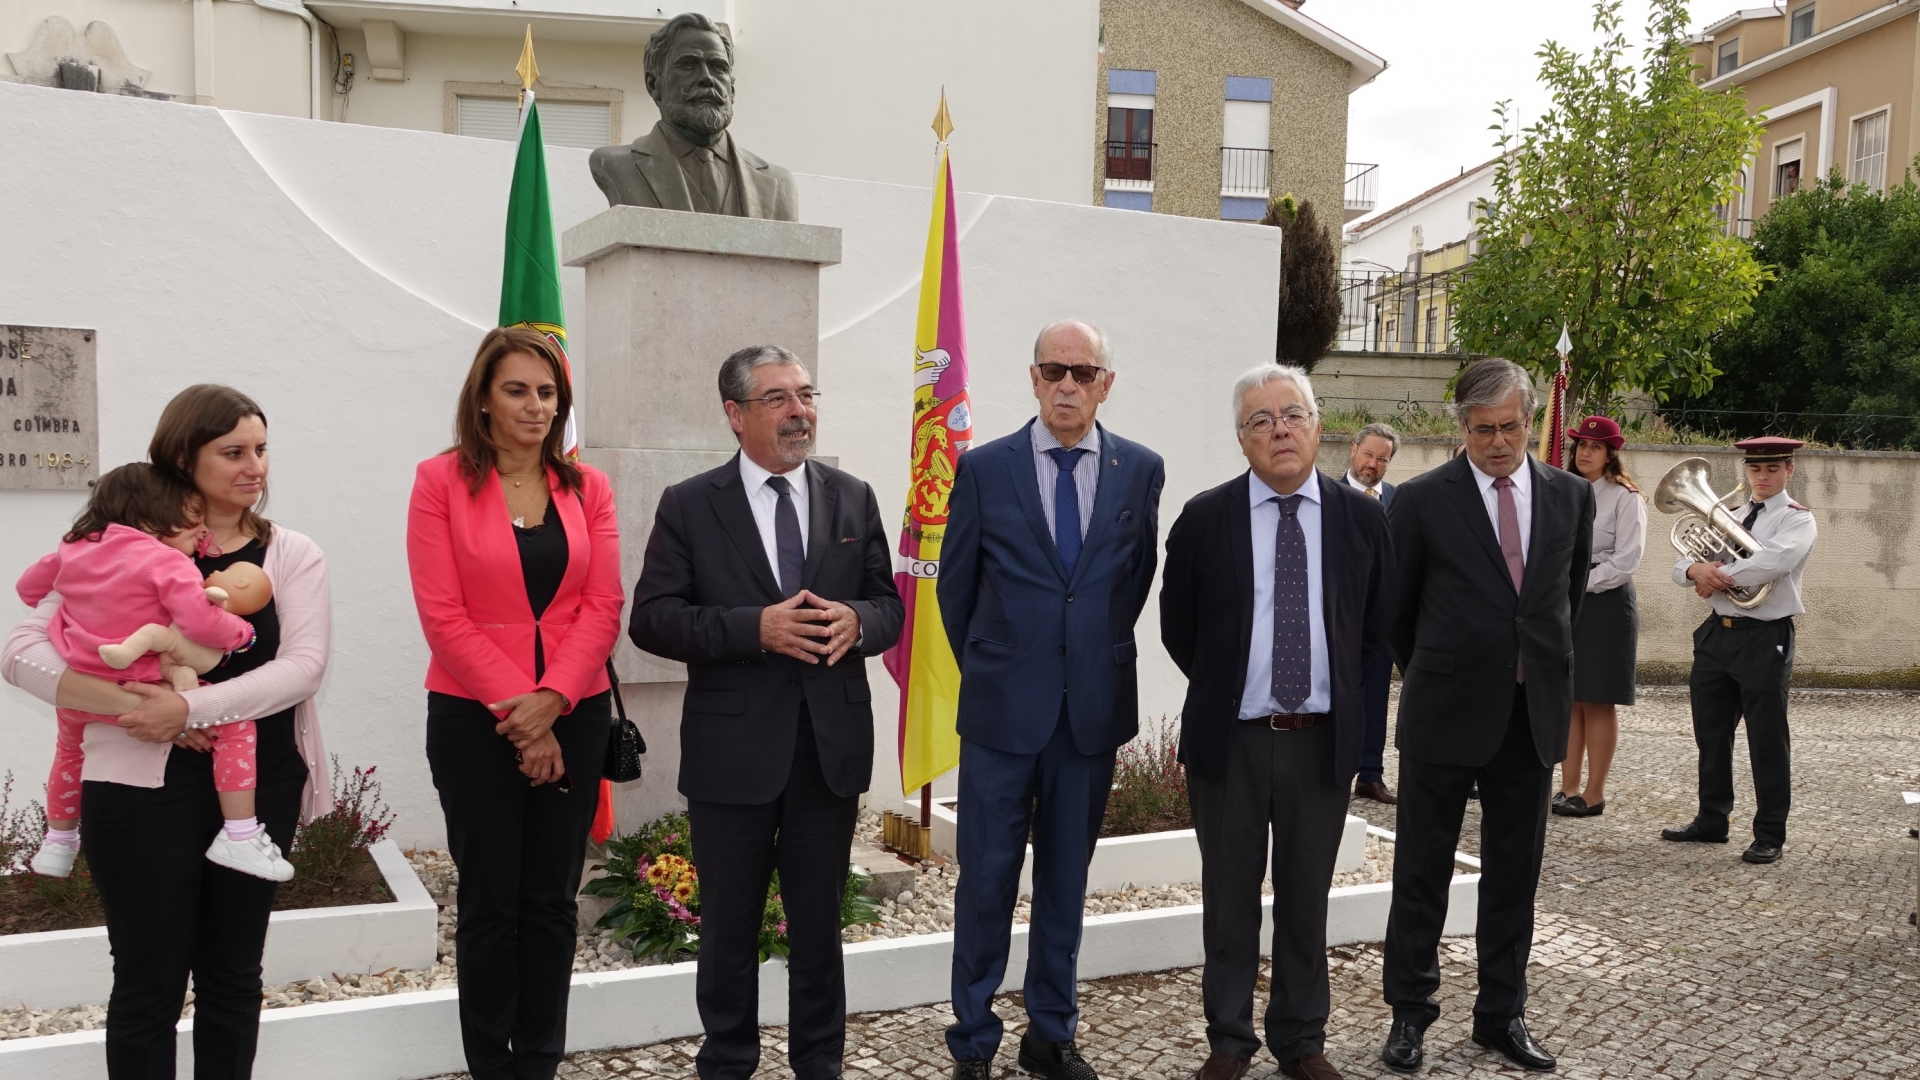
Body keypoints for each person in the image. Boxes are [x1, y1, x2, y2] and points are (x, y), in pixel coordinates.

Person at [4, 383, 334, 1078]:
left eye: (262, 450)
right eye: (233, 451)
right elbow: (19, 653)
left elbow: (302, 669)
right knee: (149, 986)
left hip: (256, 787)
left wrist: (187, 710)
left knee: (233, 977)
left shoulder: (290, 554)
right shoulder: (107, 543)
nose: (255, 467)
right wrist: (138, 702)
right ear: (185, 457)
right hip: (135, 792)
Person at [629, 345, 902, 1080]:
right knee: (727, 929)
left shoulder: (852, 496)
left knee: (819, 929)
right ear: (735, 414)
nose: (799, 411)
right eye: (778, 398)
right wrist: (755, 628)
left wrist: (858, 623)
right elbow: (652, 620)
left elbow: (889, 606)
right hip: (733, 757)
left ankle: (821, 1065)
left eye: (806, 395)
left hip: (828, 750)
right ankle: (727, 1062)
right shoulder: (691, 504)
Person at [938, 320, 1165, 1080]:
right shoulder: (984, 470)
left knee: (1066, 882)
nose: (1068, 384)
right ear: (1033, 379)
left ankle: (1050, 1033)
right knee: (987, 882)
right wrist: (1005, 664)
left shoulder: (1140, 471)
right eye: (1054, 370)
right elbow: (957, 595)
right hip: (1003, 716)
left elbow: (1129, 587)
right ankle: (972, 1040)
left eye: (1084, 371)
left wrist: (1081, 659)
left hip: (1090, 715)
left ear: (1106, 383)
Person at [1161, 366, 1393, 1080]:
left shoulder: (1361, 520)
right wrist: (1233, 685)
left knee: (1305, 899)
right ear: (1241, 439)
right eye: (1260, 420)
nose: (1279, 430)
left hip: (1320, 741)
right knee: (1229, 899)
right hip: (1230, 742)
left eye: (1292, 414)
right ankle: (1229, 1040)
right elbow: (1179, 628)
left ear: (1318, 426)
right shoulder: (1205, 518)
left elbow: (1376, 627)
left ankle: (1301, 1039)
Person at [406, 326, 626, 1080]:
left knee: (552, 901)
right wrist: (521, 712)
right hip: (474, 717)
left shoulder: (587, 486)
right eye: (517, 390)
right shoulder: (439, 481)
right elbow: (442, 613)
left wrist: (555, 698)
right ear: (484, 399)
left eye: (547, 392)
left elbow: (603, 605)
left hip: (577, 708)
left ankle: (538, 1062)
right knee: (492, 900)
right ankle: (490, 1065)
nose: (535, 406)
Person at [1378, 358, 1594, 1075]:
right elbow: (1396, 615)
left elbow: (1565, 601)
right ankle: (1410, 1015)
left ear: (1530, 422)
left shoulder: (1569, 497)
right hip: (1444, 711)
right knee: (1421, 872)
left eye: (1509, 428)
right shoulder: (1419, 501)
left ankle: (1502, 1015)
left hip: (1530, 716)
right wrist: (1446, 667)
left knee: (1514, 876)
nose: (1497, 443)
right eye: (1481, 430)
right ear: (1460, 428)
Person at [20, 463, 280, 881]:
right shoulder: (164, 560)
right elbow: (199, 623)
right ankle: (241, 834)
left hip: (80, 689)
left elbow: (28, 589)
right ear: (152, 517)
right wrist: (240, 632)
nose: (201, 529)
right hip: (144, 681)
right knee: (237, 727)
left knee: (69, 751)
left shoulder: (73, 546)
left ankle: (58, 841)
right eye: (191, 516)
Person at [1659, 436, 1816, 865]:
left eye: (1771, 470)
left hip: (1765, 637)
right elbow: (1677, 564)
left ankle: (1769, 834)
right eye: (1754, 470)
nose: (1762, 477)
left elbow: (1774, 563)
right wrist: (1695, 569)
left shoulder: (1797, 520)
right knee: (1710, 735)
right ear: (1745, 471)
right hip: (1717, 635)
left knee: (1766, 739)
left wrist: (1717, 573)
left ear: (1789, 470)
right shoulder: (1727, 514)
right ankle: (1712, 820)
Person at [587, 12, 799, 220]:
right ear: (653, 84)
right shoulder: (615, 165)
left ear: (732, 90)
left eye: (718, 67)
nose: (707, 78)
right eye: (688, 65)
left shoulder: (779, 184)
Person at [1554, 416, 1646, 819]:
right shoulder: (1564, 492)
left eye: (1594, 446)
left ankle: (1593, 794)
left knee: (1597, 700)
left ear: (1611, 455)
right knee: (1570, 699)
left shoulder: (1626, 497)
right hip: (1567, 601)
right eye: (1580, 445)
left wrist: (1580, 581)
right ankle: (1567, 787)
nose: (1584, 452)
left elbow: (1626, 561)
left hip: (1605, 603)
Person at [1343, 422, 1399, 805]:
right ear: (1353, 449)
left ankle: (1370, 774)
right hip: (1338, 617)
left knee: (1376, 698)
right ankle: (1331, 773)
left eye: (1382, 458)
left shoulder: (1400, 499)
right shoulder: (1327, 493)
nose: (1373, 464)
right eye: (1368, 454)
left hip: (1380, 620)